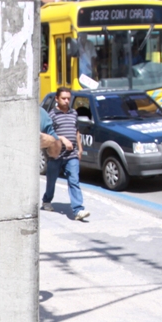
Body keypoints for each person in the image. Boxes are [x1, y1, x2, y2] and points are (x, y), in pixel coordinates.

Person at [43, 87, 89, 221]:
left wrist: (80, 149)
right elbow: (48, 135)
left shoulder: (73, 113)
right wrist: (62, 139)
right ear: (57, 99)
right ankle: (46, 200)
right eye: (63, 98)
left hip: (72, 155)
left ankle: (78, 210)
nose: (66, 101)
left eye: (68, 98)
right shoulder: (51, 115)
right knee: (51, 180)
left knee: (74, 180)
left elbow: (77, 132)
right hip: (56, 155)